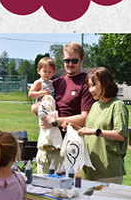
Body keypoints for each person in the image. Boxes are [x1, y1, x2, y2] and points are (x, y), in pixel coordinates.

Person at [35, 42, 95, 173]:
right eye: (67, 60)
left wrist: (55, 122)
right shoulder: (56, 82)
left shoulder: (87, 83)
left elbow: (85, 117)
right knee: (41, 185)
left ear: (82, 59)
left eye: (74, 60)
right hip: (46, 143)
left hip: (69, 145)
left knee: (64, 188)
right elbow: (40, 105)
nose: (70, 64)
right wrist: (36, 109)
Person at [78, 67, 129, 183]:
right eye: (89, 86)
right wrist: (72, 127)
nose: (90, 90)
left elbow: (120, 135)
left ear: (105, 83)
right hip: (90, 170)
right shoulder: (95, 105)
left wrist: (95, 132)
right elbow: (88, 130)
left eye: (93, 85)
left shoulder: (118, 106)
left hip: (108, 172)